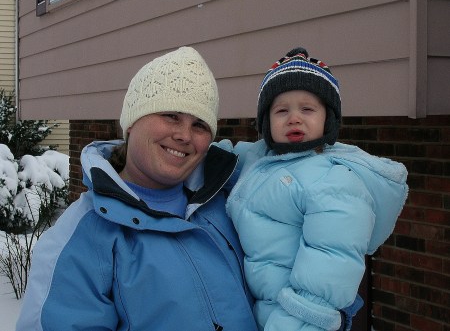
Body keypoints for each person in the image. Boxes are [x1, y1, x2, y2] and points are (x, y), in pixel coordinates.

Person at [16, 46, 258, 331]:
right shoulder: (83, 235)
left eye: (200, 125)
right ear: (131, 123)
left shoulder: (227, 203)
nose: (183, 135)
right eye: (171, 115)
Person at [221, 47, 409, 331]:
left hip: (293, 319)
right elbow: (218, 156)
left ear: (328, 119)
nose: (294, 118)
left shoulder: (335, 183)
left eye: (307, 109)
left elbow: (322, 289)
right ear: (265, 123)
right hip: (258, 311)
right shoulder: (260, 160)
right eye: (281, 110)